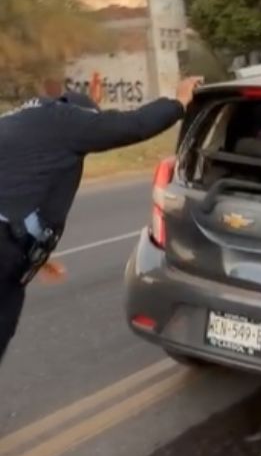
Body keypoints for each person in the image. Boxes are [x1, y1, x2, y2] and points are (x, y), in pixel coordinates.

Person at [0, 76, 202, 365]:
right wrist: (179, 102)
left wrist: (29, 248)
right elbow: (133, 125)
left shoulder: (18, 120)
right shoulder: (65, 121)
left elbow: (16, 188)